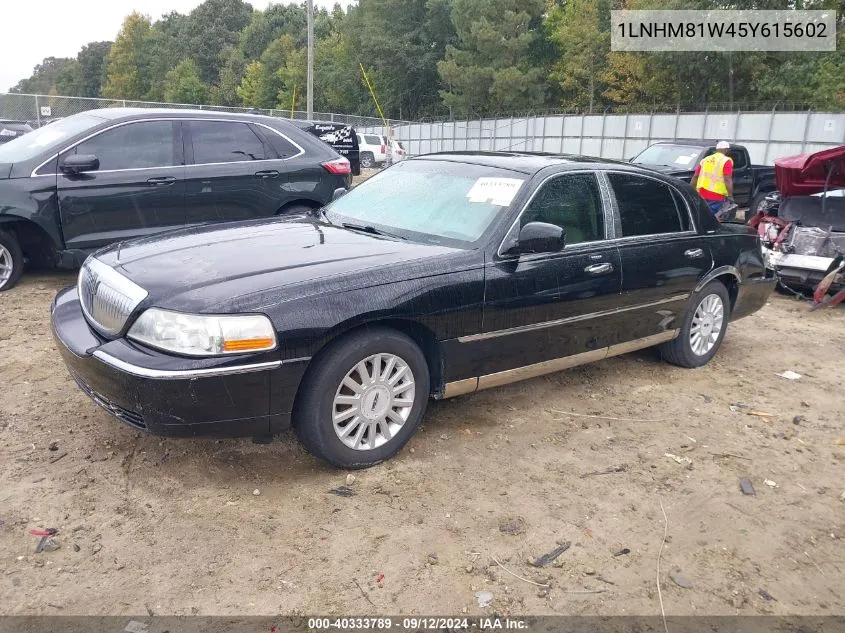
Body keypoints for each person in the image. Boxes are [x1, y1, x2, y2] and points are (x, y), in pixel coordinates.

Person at [692, 141, 734, 220]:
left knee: (701, 216)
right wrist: (730, 195)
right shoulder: (726, 160)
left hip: (701, 194)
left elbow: (695, 176)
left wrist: (691, 190)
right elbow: (727, 179)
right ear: (726, 150)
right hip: (716, 196)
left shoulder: (705, 159)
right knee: (712, 219)